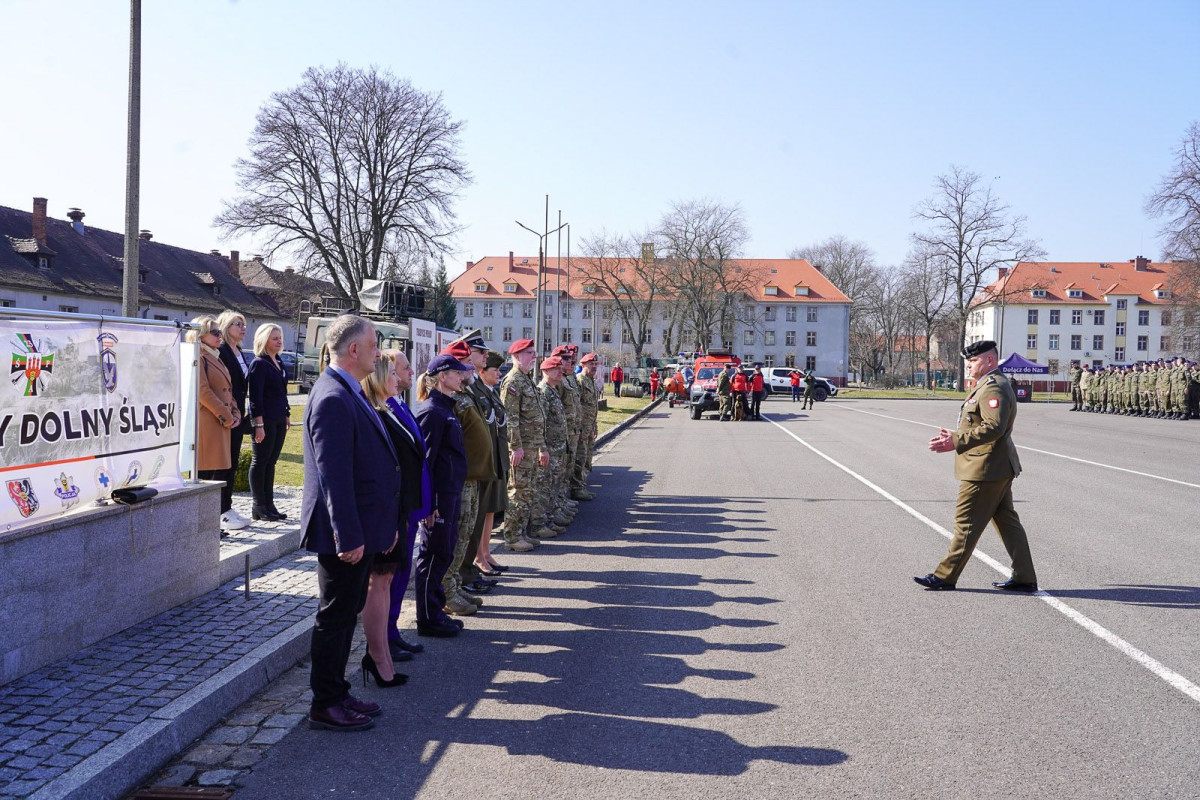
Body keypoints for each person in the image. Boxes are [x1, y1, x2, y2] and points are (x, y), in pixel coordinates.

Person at [301, 314, 400, 732]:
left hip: (360, 528)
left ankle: (338, 692)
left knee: (345, 615)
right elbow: (333, 476)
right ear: (354, 350)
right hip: (345, 532)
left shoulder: (348, 390)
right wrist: (348, 535)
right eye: (374, 344)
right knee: (335, 617)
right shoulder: (332, 397)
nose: (379, 353)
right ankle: (325, 703)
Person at [916, 340, 1038, 593]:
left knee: (966, 522)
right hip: (993, 465)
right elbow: (979, 423)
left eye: (973, 361)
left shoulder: (994, 387)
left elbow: (995, 427)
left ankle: (944, 576)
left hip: (986, 468)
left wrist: (956, 441)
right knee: (1007, 522)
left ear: (990, 361)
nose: (968, 366)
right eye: (968, 362)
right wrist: (955, 433)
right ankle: (1024, 577)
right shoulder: (987, 384)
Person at [357, 352, 414, 687]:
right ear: (378, 378)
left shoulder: (390, 410)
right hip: (385, 513)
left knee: (386, 583)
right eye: (392, 373)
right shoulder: (375, 413)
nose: (398, 378)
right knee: (378, 584)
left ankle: (380, 654)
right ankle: (378, 656)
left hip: (398, 511)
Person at [414, 353, 474, 637]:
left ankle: (435, 612)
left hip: (450, 493)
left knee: (445, 552)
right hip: (439, 500)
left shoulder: (446, 408)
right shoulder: (432, 411)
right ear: (441, 376)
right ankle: (427, 618)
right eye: (457, 372)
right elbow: (425, 462)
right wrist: (429, 504)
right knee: (433, 555)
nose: (462, 377)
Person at [439, 335, 495, 617]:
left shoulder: (467, 393)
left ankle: (455, 584)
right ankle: (447, 591)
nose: (467, 370)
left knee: (463, 536)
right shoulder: (450, 399)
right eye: (462, 364)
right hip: (460, 477)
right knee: (456, 536)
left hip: (472, 475)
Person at [383, 350, 429, 663]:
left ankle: (394, 631)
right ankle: (385, 635)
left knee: (401, 575)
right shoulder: (384, 408)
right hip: (398, 507)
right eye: (404, 367)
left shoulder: (401, 404)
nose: (411, 372)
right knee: (393, 574)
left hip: (412, 504)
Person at [497, 339, 549, 551]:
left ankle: (522, 533)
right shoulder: (513, 382)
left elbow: (536, 417)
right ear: (517, 356)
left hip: (532, 446)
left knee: (528, 492)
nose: (534, 357)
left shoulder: (526, 380)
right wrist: (515, 446)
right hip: (521, 448)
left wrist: (540, 446)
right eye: (529, 353)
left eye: (534, 352)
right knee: (518, 492)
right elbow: (510, 418)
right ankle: (511, 536)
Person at [192, 316, 240, 519]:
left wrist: (235, 412)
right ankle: (204, 524)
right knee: (207, 478)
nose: (220, 336)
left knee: (218, 477)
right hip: (209, 424)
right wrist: (226, 415)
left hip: (221, 423)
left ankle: (212, 523)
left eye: (220, 332)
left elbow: (228, 390)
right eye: (215, 332)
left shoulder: (215, 356)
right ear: (200, 334)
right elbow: (203, 392)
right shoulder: (199, 356)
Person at [471, 350, 511, 574]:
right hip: (487, 461)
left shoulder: (491, 392)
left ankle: (485, 552)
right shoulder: (477, 392)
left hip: (497, 458)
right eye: (495, 370)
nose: (498, 374)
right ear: (482, 372)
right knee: (482, 510)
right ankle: (478, 556)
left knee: (490, 511)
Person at [247, 323, 292, 521]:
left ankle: (269, 504)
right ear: (264, 340)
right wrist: (259, 425)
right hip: (264, 420)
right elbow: (255, 397)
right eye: (274, 338)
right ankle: (258, 505)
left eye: (280, 337)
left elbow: (282, 392)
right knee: (261, 461)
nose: (279, 341)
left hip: (279, 418)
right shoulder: (259, 363)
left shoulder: (279, 362)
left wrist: (287, 413)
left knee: (271, 462)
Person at [215, 311, 251, 531]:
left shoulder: (239, 352)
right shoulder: (221, 351)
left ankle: (227, 506)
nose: (243, 328)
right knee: (222, 463)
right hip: (225, 415)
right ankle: (219, 510)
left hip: (238, 413)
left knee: (232, 462)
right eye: (238, 324)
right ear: (226, 327)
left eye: (244, 324)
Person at [572, 352, 601, 498]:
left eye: (596, 364)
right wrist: (580, 428)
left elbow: (592, 405)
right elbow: (577, 406)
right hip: (582, 427)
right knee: (581, 458)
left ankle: (582, 485)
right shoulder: (580, 381)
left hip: (589, 426)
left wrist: (594, 426)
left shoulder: (591, 381)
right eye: (591, 364)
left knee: (588, 458)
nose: (594, 367)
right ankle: (577, 488)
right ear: (583, 365)